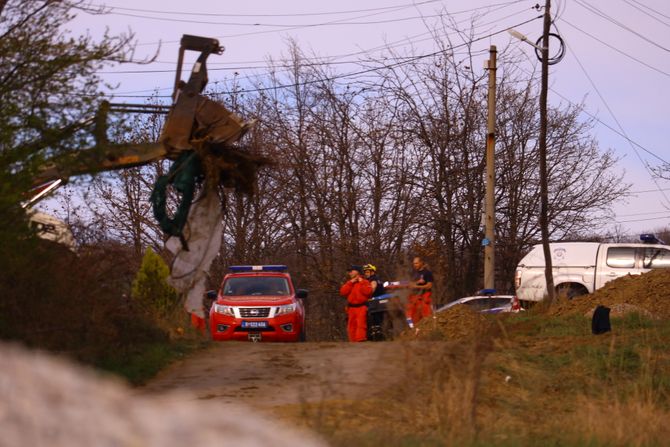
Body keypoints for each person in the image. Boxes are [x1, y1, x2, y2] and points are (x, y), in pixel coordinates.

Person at [339, 265, 373, 342]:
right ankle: (353, 341)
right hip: (351, 308)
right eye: (349, 271)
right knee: (351, 325)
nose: (350, 273)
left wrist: (361, 282)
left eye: (351, 271)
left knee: (361, 324)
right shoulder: (349, 283)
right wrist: (350, 283)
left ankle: (360, 340)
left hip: (362, 307)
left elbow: (368, 292)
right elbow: (343, 292)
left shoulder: (365, 282)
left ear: (357, 272)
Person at [406, 256, 434, 326]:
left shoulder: (427, 273)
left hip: (425, 297)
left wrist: (417, 286)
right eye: (414, 263)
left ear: (421, 263)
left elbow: (429, 286)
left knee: (427, 316)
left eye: (416, 263)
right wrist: (417, 282)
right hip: (415, 298)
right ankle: (414, 329)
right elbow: (410, 284)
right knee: (412, 315)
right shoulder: (414, 273)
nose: (415, 265)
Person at [363, 264, 386, 341]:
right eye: (365, 272)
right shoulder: (377, 279)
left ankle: (378, 337)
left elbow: (373, 288)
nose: (366, 273)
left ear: (372, 271)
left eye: (367, 271)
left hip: (376, 305)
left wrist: (365, 295)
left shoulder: (373, 279)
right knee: (379, 322)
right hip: (380, 304)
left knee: (375, 322)